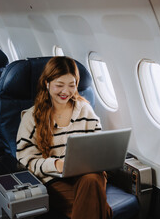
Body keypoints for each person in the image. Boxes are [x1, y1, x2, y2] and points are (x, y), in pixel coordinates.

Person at [16, 56, 113, 219]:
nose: (66, 92)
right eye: (59, 85)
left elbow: (97, 148)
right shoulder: (31, 117)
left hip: (88, 174)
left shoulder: (85, 110)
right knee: (99, 206)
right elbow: (26, 161)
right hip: (54, 180)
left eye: (72, 85)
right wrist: (56, 164)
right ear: (47, 84)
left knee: (91, 178)